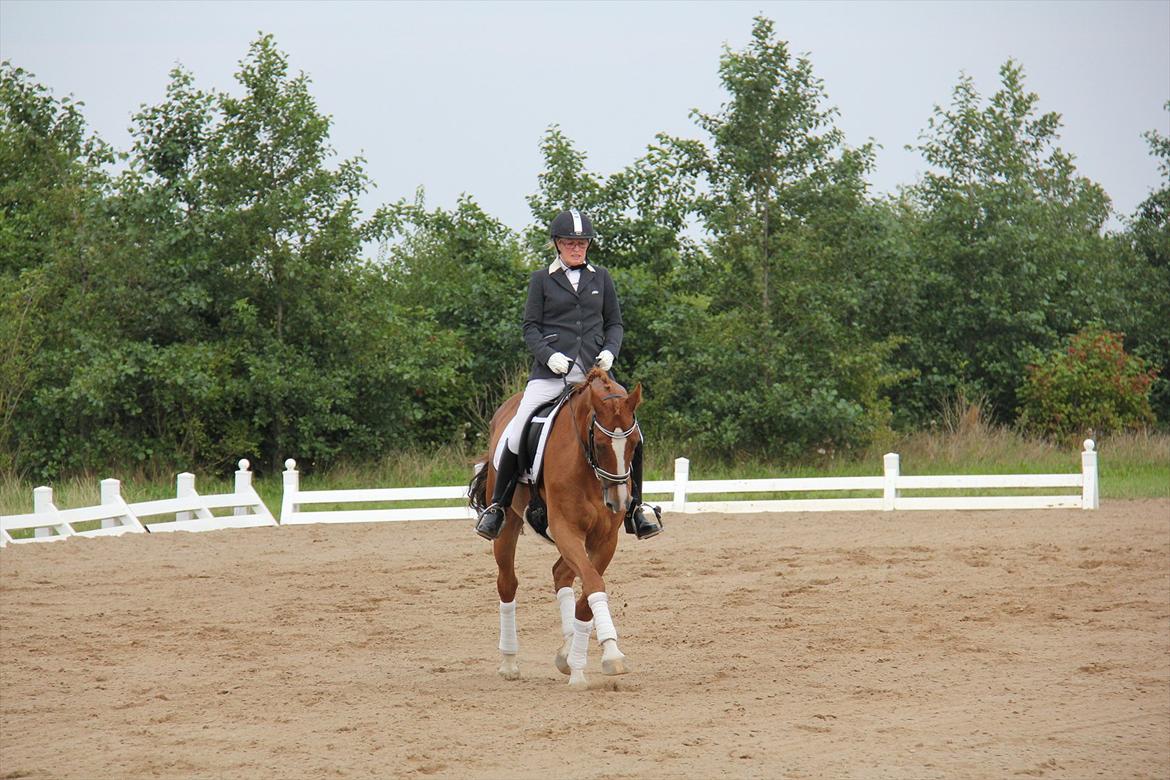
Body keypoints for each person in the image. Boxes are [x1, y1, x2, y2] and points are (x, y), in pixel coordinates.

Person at [474, 208, 663, 542]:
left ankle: (635, 507)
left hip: (595, 377)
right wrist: (549, 356)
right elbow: (530, 327)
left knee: (634, 432)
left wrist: (610, 351)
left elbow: (614, 323)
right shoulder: (541, 279)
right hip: (550, 375)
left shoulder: (601, 277)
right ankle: (498, 507)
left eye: (582, 243)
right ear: (557, 244)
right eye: (570, 243)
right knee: (516, 433)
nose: (577, 248)